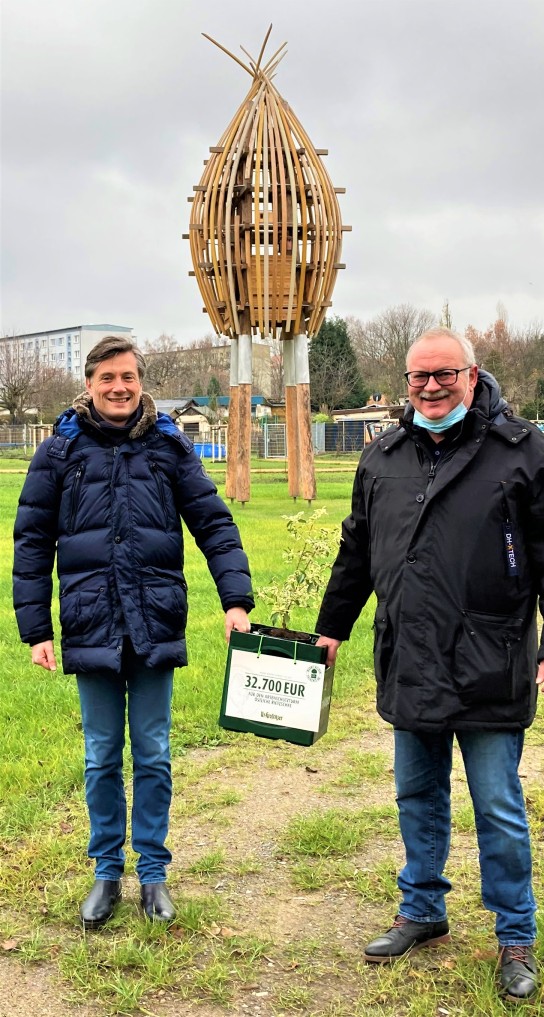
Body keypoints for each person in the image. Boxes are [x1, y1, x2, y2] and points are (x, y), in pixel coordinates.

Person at [315, 327, 544, 1000]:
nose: (431, 387)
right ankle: (423, 909)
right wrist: (331, 626)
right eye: (419, 377)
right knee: (416, 794)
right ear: (405, 384)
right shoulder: (382, 456)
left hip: (490, 657)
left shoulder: (525, 453)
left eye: (445, 374)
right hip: (410, 656)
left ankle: (515, 935)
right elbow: (356, 549)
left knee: (497, 804)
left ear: (472, 374)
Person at [13, 336, 254, 929]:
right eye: (107, 378)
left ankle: (152, 873)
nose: (119, 387)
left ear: (140, 381)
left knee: (151, 753)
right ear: (89, 383)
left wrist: (236, 600)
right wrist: (36, 628)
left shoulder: (169, 445)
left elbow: (213, 524)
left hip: (154, 622)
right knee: (100, 757)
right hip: (92, 624)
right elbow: (32, 542)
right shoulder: (59, 451)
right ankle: (105, 872)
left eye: (129, 377)